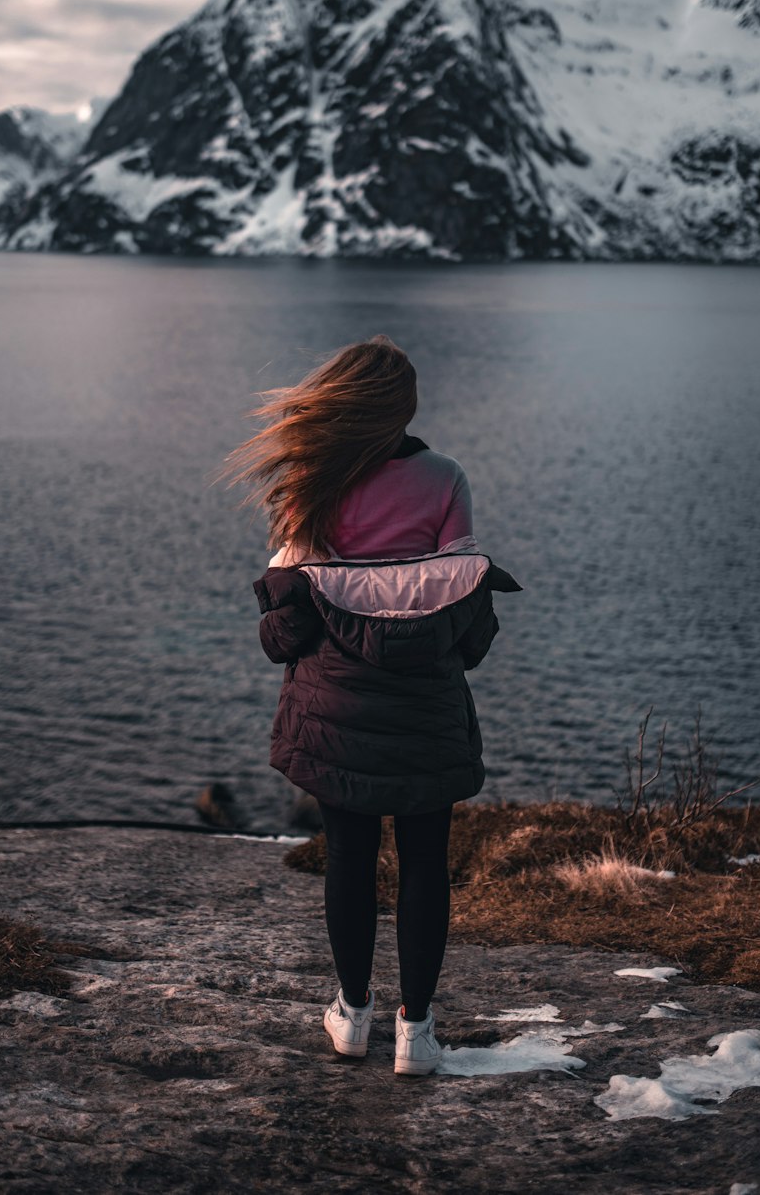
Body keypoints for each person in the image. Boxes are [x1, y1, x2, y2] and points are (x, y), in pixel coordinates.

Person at [222, 334, 520, 1075]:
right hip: (427, 710)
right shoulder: (447, 478)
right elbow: (466, 609)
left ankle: (351, 1017)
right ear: (405, 408)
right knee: (427, 864)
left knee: (349, 859)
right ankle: (416, 1033)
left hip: (336, 711)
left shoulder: (309, 485)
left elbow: (284, 632)